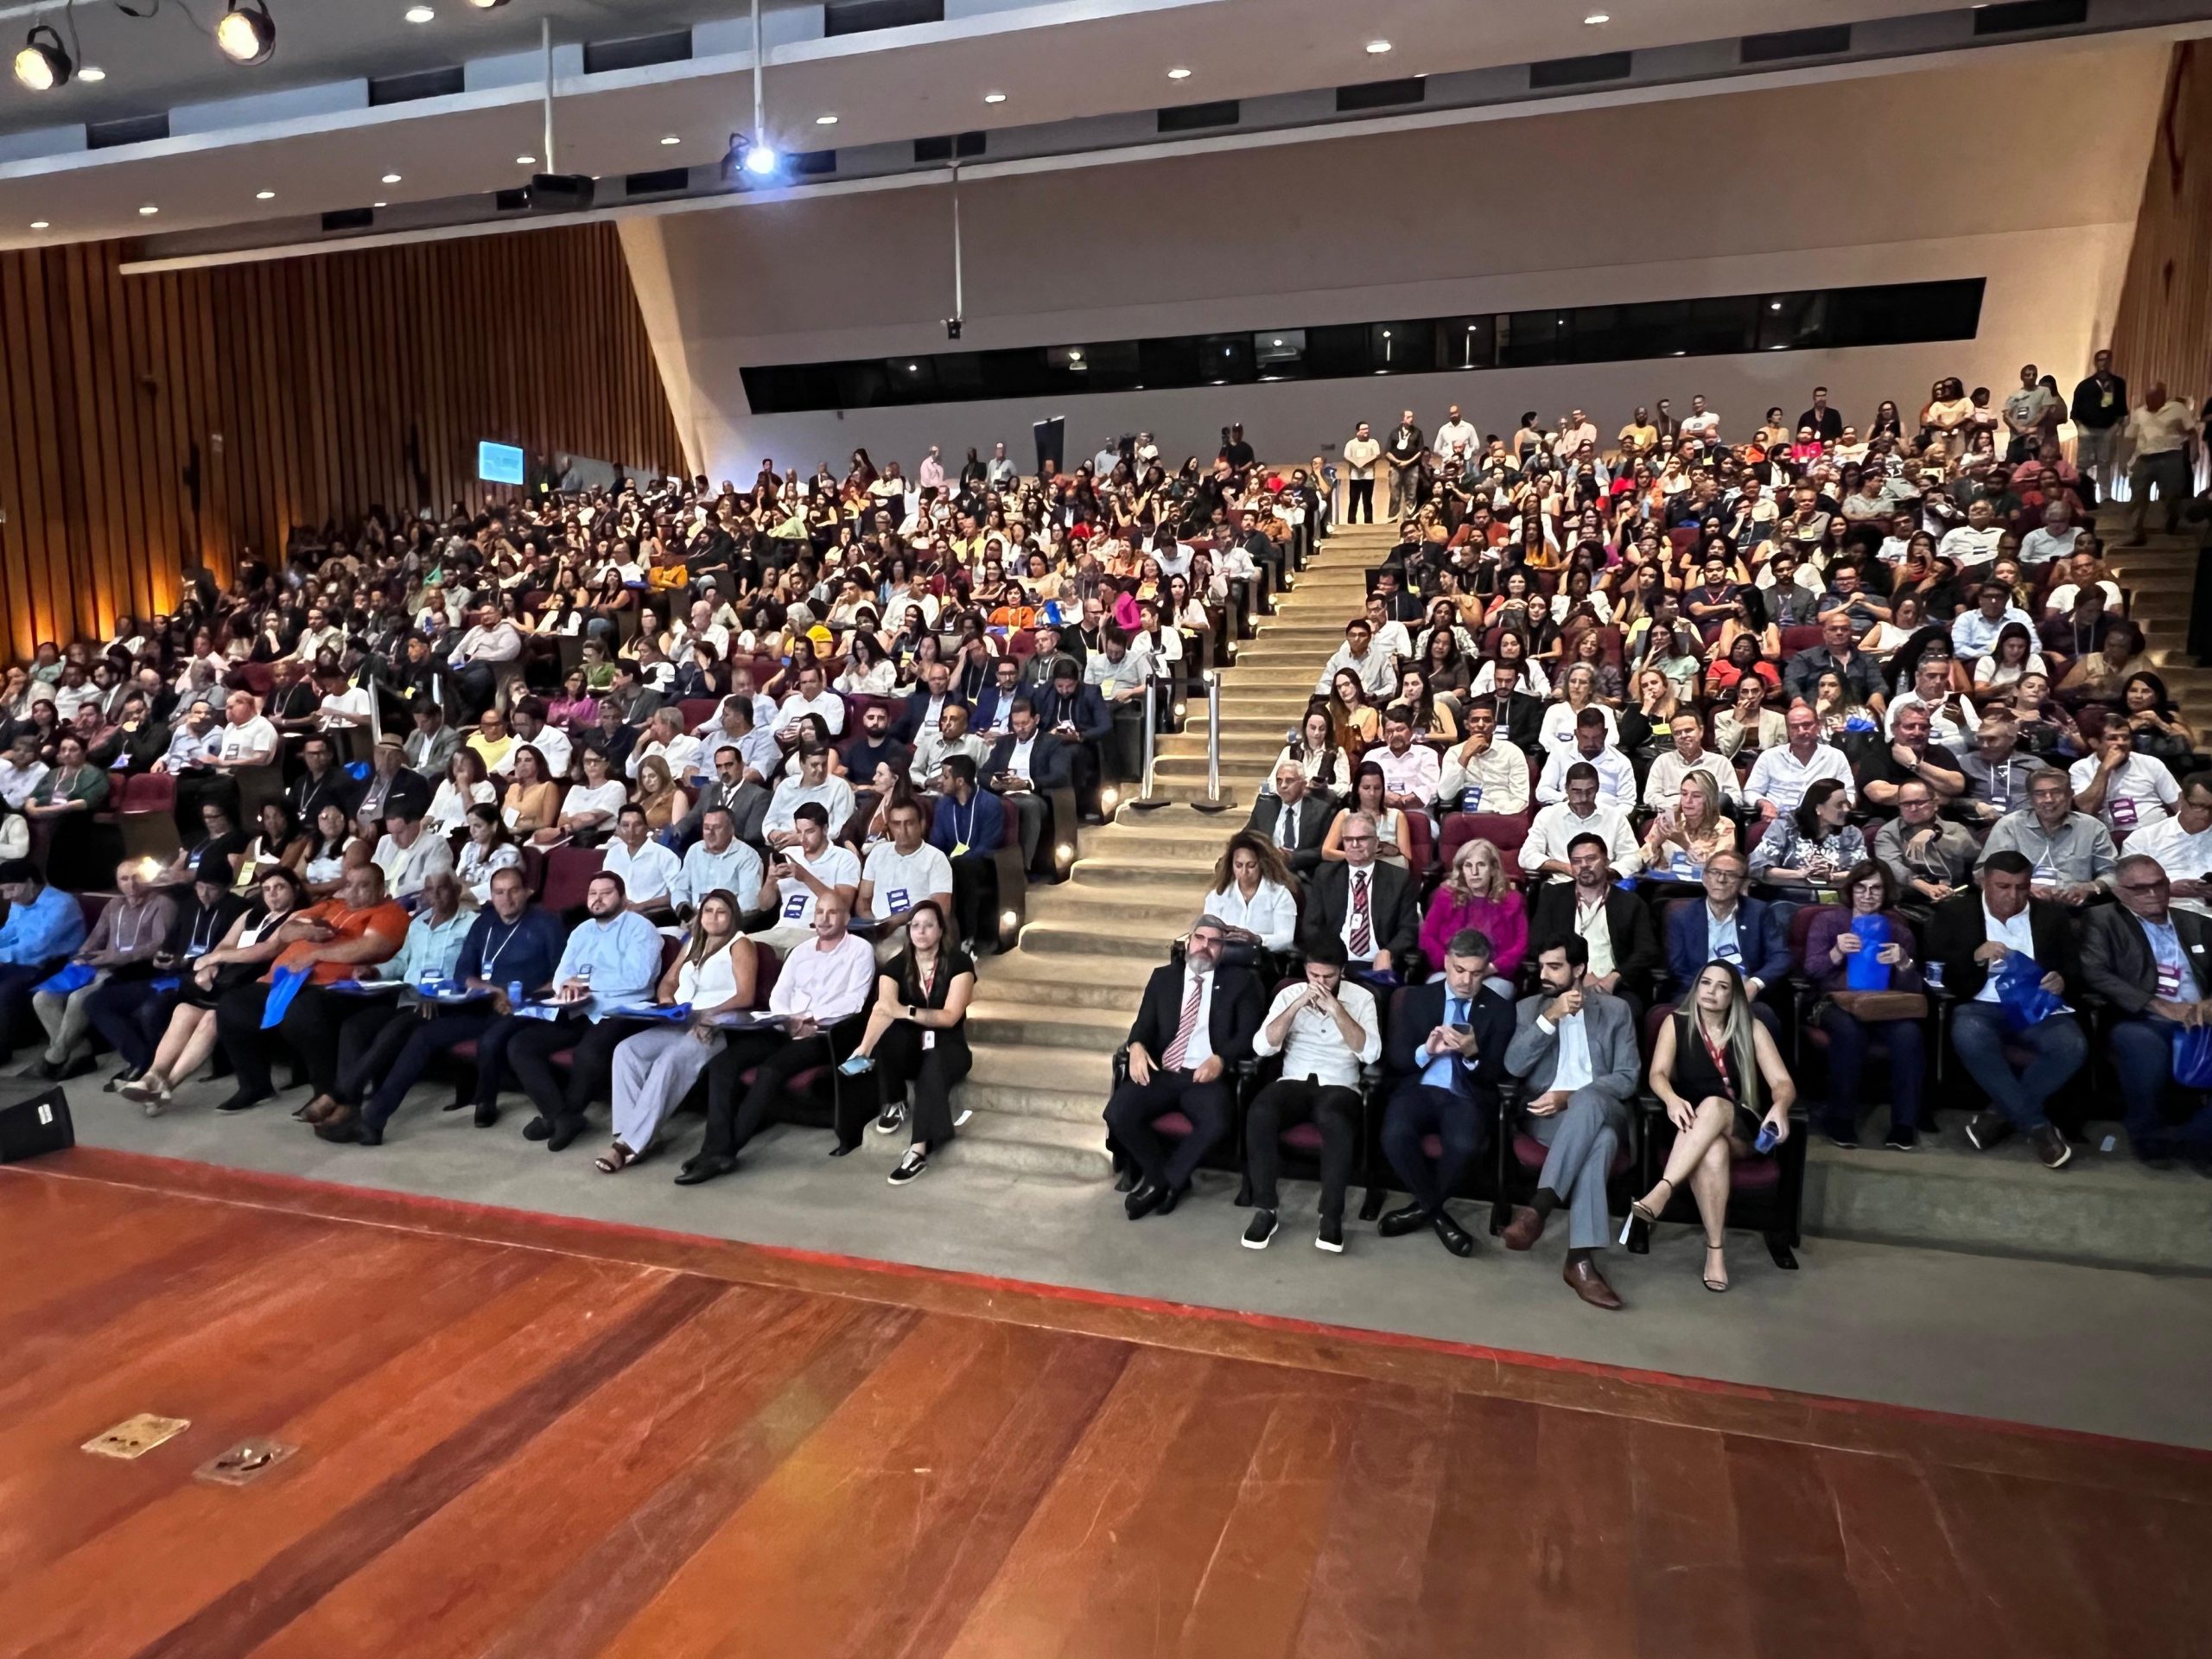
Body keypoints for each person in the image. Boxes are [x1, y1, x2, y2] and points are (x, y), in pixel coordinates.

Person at [320, 864, 568, 1141]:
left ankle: (487, 1101)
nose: (506, 899)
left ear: (527, 892)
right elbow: (464, 973)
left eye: (513, 891)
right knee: (423, 1036)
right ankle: (373, 1121)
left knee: (436, 1030)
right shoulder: (485, 923)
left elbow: (561, 975)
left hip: (526, 1007)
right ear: (491, 895)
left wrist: (516, 997)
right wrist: (492, 991)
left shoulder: (547, 923)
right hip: (481, 1005)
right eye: (499, 892)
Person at [676, 892, 878, 1186]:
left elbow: (854, 1001)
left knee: (770, 1071)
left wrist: (808, 1018)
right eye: (819, 911)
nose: (824, 918)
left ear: (846, 918)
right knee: (723, 1065)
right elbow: (778, 995)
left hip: (825, 1034)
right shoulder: (801, 951)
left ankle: (723, 1152)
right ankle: (715, 1148)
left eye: (832, 912)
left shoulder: (859, 950)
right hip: (784, 1026)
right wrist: (790, 1018)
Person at [1629, 961, 1796, 1293]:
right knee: (1714, 1152)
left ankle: (1663, 1189)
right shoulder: (1675, 1023)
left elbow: (1782, 1082)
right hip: (1690, 1126)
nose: (1712, 991)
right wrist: (1671, 1100)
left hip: (1742, 1127)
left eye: (1722, 987)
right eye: (1706, 983)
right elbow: (1657, 1075)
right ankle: (1715, 1251)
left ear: (1734, 995)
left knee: (1715, 1106)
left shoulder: (1752, 1027)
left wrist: (1780, 1107)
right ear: (1696, 987)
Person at [1500, 938, 1643, 1310]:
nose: (1544, 975)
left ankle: (1539, 1208)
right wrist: (1550, 1019)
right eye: (1542, 966)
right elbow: (1513, 1067)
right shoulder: (1529, 1009)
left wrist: (1571, 1096)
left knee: (1590, 1101)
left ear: (1579, 969)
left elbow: (1627, 1077)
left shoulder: (1615, 1010)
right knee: (1603, 1143)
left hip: (1604, 1104)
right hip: (1552, 1123)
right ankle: (1579, 1261)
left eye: (1555, 967)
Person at [207, 861, 411, 1116]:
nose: (354, 891)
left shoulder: (389, 912)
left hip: (336, 988)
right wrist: (307, 930)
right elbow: (287, 930)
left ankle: (324, 1092)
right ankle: (254, 1085)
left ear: (381, 888)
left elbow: (370, 948)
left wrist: (315, 955)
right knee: (232, 1005)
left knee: (304, 1012)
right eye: (349, 885)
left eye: (364, 885)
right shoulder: (330, 906)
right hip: (284, 981)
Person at [1927, 850, 2087, 1167]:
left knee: (2072, 1046)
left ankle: (1998, 1116)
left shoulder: (2051, 917)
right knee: (1969, 1033)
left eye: (2021, 887)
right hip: (1980, 1004)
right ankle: (2037, 1126)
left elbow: (2074, 970)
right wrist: (1974, 957)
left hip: (2036, 1005)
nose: (2013, 895)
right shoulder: (1954, 913)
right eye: (2003, 886)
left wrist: (2062, 980)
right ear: (1985, 883)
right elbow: (1935, 968)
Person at [1103, 913, 1264, 1217]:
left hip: (1204, 1076)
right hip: (1164, 1072)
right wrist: (1136, 1046)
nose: (1206, 947)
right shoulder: (1163, 978)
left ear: (1223, 950)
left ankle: (1164, 1182)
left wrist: (1222, 1059)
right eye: (1200, 939)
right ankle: (1164, 1178)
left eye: (1215, 942)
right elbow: (1143, 1025)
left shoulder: (1241, 983)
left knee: (1216, 1121)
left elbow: (1248, 1034)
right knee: (1117, 1113)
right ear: (1189, 942)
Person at [500, 869, 666, 1150]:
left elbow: (640, 977)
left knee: (588, 1051)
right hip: (579, 1009)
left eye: (606, 893)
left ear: (623, 898)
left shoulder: (641, 928)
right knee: (521, 1045)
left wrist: (586, 983)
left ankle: (567, 1114)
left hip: (623, 1010)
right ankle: (560, 1115)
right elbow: (562, 974)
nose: (598, 899)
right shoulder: (582, 930)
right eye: (593, 894)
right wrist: (567, 984)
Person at [598, 891, 759, 1173]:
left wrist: (710, 1016)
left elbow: (745, 996)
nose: (713, 917)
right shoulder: (693, 943)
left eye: (722, 912)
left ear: (733, 916)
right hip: (680, 1020)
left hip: (716, 1026)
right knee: (627, 1051)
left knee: (669, 1061)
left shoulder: (741, 944)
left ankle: (627, 1147)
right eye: (708, 911)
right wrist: (666, 1003)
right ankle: (638, 1134)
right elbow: (669, 981)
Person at [1377, 927, 1515, 1256]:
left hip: (1465, 1095)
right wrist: (1426, 1051)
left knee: (1465, 1143)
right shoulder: (1417, 997)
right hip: (1419, 1088)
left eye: (1476, 973)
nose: (1466, 981)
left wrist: (1472, 1053)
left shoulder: (1500, 1009)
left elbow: (1497, 1073)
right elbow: (1396, 1058)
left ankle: (1422, 1210)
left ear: (1487, 970)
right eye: (1459, 970)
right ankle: (1438, 1215)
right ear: (1446, 962)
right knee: (1395, 1134)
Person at [1240, 937, 1382, 1254]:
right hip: (1293, 1079)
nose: (1319, 982)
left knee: (1335, 1119)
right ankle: (1266, 1209)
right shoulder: (1290, 993)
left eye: (1327, 977)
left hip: (1339, 1083)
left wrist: (1336, 1010)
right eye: (1314, 975)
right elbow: (1262, 1047)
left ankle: (1330, 1215)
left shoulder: (1362, 999)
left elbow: (1370, 1053)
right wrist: (1295, 1006)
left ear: (1342, 972)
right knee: (1260, 1111)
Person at [2081, 855, 2212, 1171]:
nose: (2152, 895)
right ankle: (2146, 1134)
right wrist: (2158, 1004)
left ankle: (2193, 1139)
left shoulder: (2197, 923)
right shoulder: (2103, 920)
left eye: (2158, 885)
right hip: (2140, 1017)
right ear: (2121, 892)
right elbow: (2095, 972)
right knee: (2142, 1045)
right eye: (2140, 889)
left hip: (2200, 1016)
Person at [836, 898, 975, 1184]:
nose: (921, 931)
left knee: (933, 1066)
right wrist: (863, 1049)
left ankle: (918, 1149)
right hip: (913, 1049)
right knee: (892, 1033)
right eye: (915, 926)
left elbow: (949, 1017)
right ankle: (896, 1100)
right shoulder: (896, 964)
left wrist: (907, 1011)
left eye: (929, 926)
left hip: (950, 1047)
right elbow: (884, 1009)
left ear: (940, 930)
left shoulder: (959, 963)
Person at [86, 855, 243, 1089]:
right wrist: (163, 957)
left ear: (227, 887)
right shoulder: (191, 905)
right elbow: (168, 943)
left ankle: (151, 1069)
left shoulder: (238, 909)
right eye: (200, 887)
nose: (204, 894)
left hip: (202, 980)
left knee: (151, 1010)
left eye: (211, 889)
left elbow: (229, 955)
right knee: (95, 1002)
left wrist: (186, 964)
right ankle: (140, 1060)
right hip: (171, 975)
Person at [1805, 861, 1928, 1150]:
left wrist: (1904, 963)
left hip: (1884, 1004)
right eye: (1861, 887)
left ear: (1885, 893)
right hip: (1834, 1002)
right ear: (1851, 889)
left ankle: (1904, 1124)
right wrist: (1836, 952)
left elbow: (1913, 989)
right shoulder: (1829, 921)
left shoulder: (1899, 930)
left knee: (1909, 1034)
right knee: (1850, 1031)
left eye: (1876, 888)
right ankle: (1841, 1119)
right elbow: (1811, 971)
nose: (1868, 894)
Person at [26, 857, 173, 1080]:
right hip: (101, 967)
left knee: (78, 998)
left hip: (133, 971)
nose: (131, 885)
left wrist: (112, 957)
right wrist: (82, 956)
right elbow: (95, 938)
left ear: (149, 880)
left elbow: (158, 946)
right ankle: (80, 1050)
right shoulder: (114, 905)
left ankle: (55, 1055)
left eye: (137, 878)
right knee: (42, 999)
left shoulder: (162, 904)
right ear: (117, 882)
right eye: (124, 879)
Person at [1527, 833, 1661, 1025]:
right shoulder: (1553, 897)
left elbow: (1647, 951)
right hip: (1562, 982)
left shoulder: (1631, 903)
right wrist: (1574, 975)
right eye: (1577, 861)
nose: (1584, 866)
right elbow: (1537, 943)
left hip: (1615, 985)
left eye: (1591, 859)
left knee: (1630, 1010)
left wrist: (1614, 978)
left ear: (1606, 861)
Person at [1663, 852, 1787, 1014]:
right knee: (1682, 1013)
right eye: (1715, 872)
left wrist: (1755, 984)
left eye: (1731, 875)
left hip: (1746, 993)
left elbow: (1780, 956)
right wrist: (1709, 990)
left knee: (1764, 1015)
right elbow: (1677, 967)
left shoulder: (1759, 912)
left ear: (1743, 883)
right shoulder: (1682, 916)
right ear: (1704, 878)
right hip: (1698, 992)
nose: (1721, 880)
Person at [1299, 813, 1419, 976]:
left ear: (1376, 842)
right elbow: (1311, 925)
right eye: (1348, 839)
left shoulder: (1399, 879)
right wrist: (1327, 957)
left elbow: (1409, 929)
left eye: (1362, 838)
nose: (1354, 844)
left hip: (1376, 964)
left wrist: (1389, 952)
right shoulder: (1325, 875)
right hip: (1333, 964)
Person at [1977, 767, 2116, 906]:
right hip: (2021, 906)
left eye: (2056, 792)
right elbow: (1983, 873)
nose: (2048, 799)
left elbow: (2113, 873)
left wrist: (2091, 887)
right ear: (2030, 798)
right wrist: (2023, 887)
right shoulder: (2009, 826)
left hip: (2075, 909)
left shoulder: (2092, 827)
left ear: (2070, 795)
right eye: (2040, 794)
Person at [0, 856, 90, 1058]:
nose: (8, 897)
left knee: (5, 990)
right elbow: (9, 932)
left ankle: (5, 1047)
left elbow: (38, 945)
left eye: (11, 889)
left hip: (55, 963)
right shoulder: (20, 903)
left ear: (30, 882)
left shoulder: (62, 904)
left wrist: (2, 955)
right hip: (21, 961)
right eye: (4, 891)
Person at [1421, 837, 1526, 992]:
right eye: (1468, 866)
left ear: (1493, 869)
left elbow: (1521, 945)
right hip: (1450, 972)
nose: (1474, 872)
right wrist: (1451, 965)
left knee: (1494, 994)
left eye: (1481, 865)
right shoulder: (1445, 896)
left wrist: (1491, 968)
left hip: (1493, 975)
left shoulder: (1513, 900)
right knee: (1435, 990)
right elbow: (1427, 936)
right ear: (1461, 870)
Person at [1525, 764, 1641, 882]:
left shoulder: (1615, 817)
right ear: (1566, 789)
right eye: (1577, 791)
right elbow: (1527, 855)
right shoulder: (1548, 815)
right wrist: (1566, 868)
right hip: (1562, 884)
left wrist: (1607, 872)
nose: (1583, 798)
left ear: (1597, 788)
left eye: (1589, 791)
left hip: (1604, 884)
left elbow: (1633, 857)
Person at [2126, 771, 2212, 920]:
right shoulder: (2143, 839)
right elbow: (2128, 888)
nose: (2206, 815)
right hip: (2166, 915)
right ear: (2181, 800)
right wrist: (2167, 889)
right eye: (2199, 806)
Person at [1749, 779, 1867, 887]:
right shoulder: (1785, 826)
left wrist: (1832, 876)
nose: (1846, 809)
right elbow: (1758, 867)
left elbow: (1864, 870)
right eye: (1839, 805)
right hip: (1790, 895)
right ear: (1818, 808)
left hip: (1836, 897)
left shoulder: (1851, 833)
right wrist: (1801, 873)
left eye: (1846, 803)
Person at [1203, 832, 1298, 957]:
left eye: (1251, 866)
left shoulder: (1280, 895)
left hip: (1263, 960)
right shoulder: (1218, 895)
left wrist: (1257, 939)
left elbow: (1286, 939)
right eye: (1238, 865)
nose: (1244, 872)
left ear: (1262, 864)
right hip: (1225, 958)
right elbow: (1207, 931)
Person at [1247, 762, 1332, 877]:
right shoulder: (1265, 808)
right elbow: (1246, 838)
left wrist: (1292, 857)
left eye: (1289, 781)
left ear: (1303, 784)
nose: (1283, 786)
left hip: (1302, 873)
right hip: (1266, 871)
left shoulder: (1320, 811)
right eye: (1279, 781)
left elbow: (1322, 850)